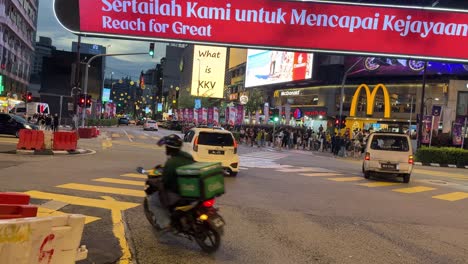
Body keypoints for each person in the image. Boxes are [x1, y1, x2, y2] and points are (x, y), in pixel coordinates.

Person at [147, 134, 195, 231]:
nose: (165, 149)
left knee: (153, 201)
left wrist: (158, 182)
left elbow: (166, 181)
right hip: (192, 189)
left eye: (166, 147)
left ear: (170, 148)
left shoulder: (171, 163)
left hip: (178, 193)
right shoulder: (188, 156)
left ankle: (166, 225)